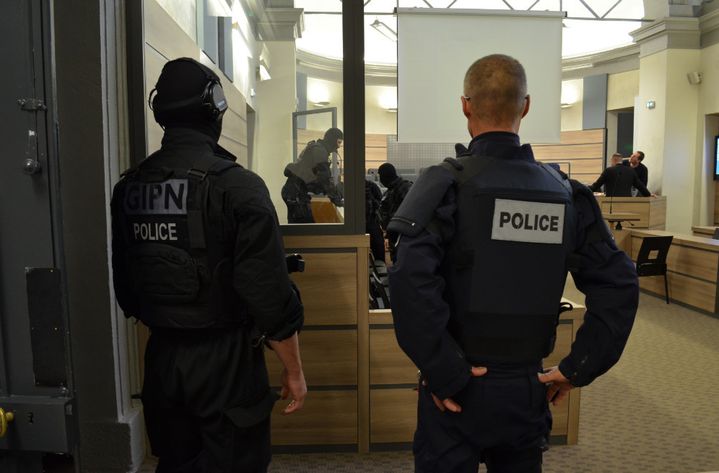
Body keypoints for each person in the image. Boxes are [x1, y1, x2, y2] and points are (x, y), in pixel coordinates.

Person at [388, 54, 638, 472]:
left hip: (457, 387)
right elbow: (619, 286)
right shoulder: (567, 194)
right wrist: (577, 367)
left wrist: (445, 372)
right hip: (528, 386)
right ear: (525, 106)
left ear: (465, 105)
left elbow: (409, 283)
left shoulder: (443, 186)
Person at [110, 58, 306, 473]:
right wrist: (294, 371)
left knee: (176, 463)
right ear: (215, 109)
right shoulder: (237, 187)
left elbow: (126, 288)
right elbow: (269, 298)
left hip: (162, 360)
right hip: (226, 363)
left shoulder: (129, 186)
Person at [282, 127, 344, 223]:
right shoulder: (319, 150)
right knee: (304, 228)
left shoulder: (317, 148)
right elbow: (324, 178)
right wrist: (336, 199)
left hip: (295, 192)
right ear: (332, 140)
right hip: (296, 193)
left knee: (301, 226)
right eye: (339, 142)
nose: (339, 146)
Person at [377, 163, 412, 262]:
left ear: (385, 177)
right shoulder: (389, 191)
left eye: (381, 177)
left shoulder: (405, 188)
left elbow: (409, 211)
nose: (380, 180)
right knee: (396, 260)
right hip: (394, 234)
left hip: (403, 235)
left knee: (402, 261)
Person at [366, 178, 385, 262]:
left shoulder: (372, 186)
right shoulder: (351, 187)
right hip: (357, 221)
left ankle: (380, 265)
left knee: (378, 246)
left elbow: (381, 205)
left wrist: (371, 197)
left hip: (372, 220)